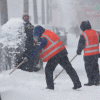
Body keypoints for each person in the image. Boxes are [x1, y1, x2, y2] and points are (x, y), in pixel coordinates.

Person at [24, 25, 82, 90]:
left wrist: (29, 56)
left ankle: (50, 86)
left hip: (55, 55)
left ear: (38, 33)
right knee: (69, 68)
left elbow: (37, 48)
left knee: (48, 70)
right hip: (62, 52)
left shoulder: (43, 38)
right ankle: (77, 84)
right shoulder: (48, 32)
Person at [77, 20, 100, 86]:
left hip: (88, 55)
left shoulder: (83, 34)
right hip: (96, 54)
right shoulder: (97, 32)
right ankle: (97, 80)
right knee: (95, 67)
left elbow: (81, 45)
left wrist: (78, 51)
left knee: (88, 68)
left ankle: (91, 81)